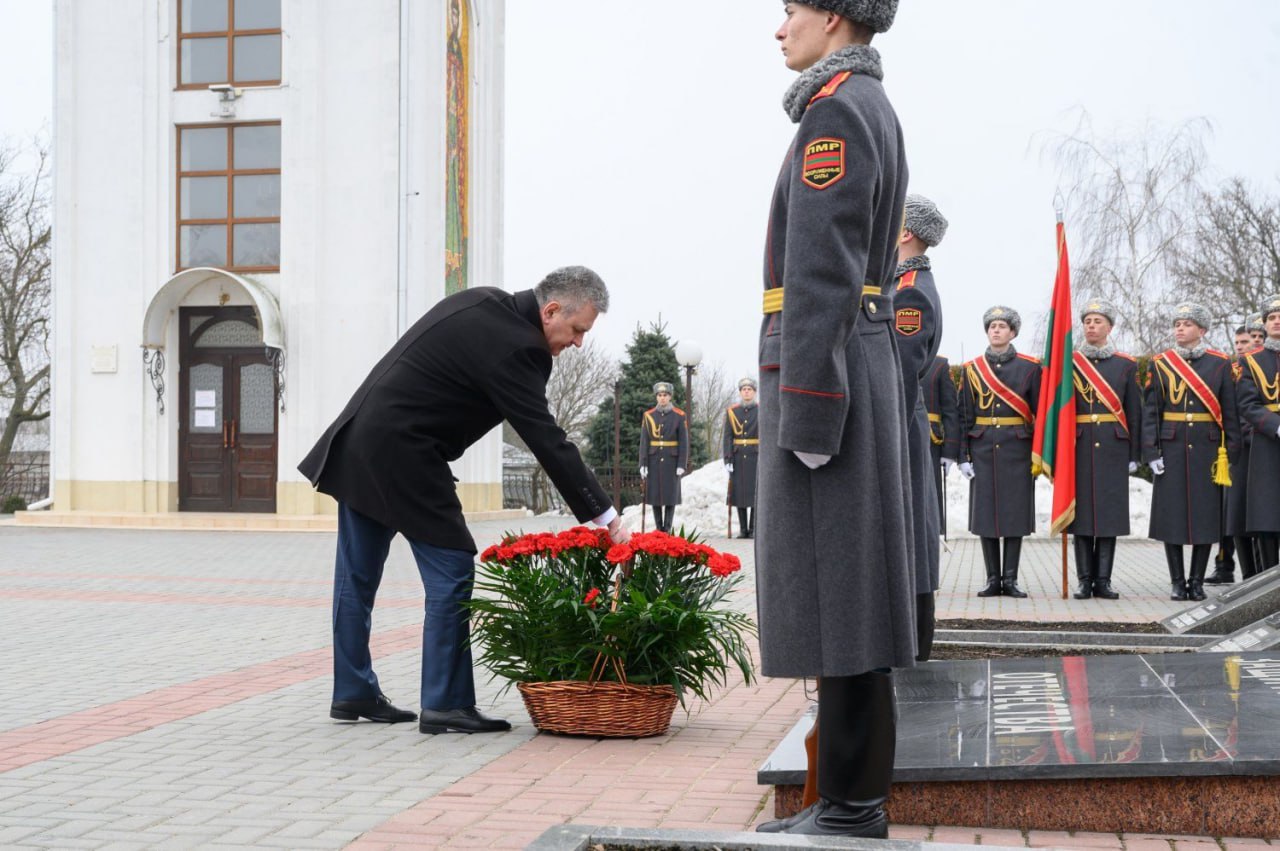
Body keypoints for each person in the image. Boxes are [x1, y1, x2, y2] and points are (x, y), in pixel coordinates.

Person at [298, 266, 628, 734]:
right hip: (406, 453)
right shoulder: (522, 347)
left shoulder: (482, 301)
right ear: (551, 310)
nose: (577, 344)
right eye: (577, 331)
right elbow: (546, 439)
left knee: (357, 575)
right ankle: (446, 703)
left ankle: (353, 690)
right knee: (452, 567)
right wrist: (605, 515)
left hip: (360, 440)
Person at [754, 0, 910, 838]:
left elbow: (822, 273)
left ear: (837, 18)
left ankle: (851, 806)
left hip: (828, 374)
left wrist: (810, 413)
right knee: (848, 598)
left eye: (790, 11)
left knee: (844, 601)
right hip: (854, 362)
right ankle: (841, 796)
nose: (780, 29)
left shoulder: (836, 113)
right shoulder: (862, 104)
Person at [1143, 302, 1240, 602]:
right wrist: (1151, 451)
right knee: (1171, 518)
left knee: (1205, 519)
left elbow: (1230, 411)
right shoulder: (1161, 364)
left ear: (1202, 330)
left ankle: (1196, 581)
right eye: (1177, 324)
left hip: (1208, 451)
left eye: (1186, 324)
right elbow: (1151, 412)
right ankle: (1177, 581)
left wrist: (1232, 452)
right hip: (1171, 447)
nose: (1180, 329)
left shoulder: (1220, 363)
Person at [893, 194, 949, 660]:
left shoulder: (908, 290)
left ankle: (912, 645)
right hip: (897, 418)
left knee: (908, 533)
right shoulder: (901, 282)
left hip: (896, 420)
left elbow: (899, 367)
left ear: (905, 232)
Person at [959, 306, 1042, 598]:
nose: (996, 330)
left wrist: (1039, 454)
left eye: (1002, 326)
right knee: (987, 516)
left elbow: (1040, 415)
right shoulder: (971, 369)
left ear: (1013, 332)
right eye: (992, 326)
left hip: (1018, 449)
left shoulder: (1030, 368)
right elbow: (963, 415)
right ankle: (993, 579)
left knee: (1014, 516)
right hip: (982, 449)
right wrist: (962, 456)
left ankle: (1011, 579)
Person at [1067, 300, 1141, 600]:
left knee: (1109, 516)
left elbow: (1134, 412)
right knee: (1081, 516)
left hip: (1113, 447)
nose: (1091, 326)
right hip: (1079, 445)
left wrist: (1135, 454)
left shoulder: (1125, 365)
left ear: (1109, 327)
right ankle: (1084, 580)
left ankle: (1104, 580)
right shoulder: (1068, 363)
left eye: (1097, 321)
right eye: (1087, 321)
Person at [1211, 323, 1265, 584]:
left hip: (1264, 443)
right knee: (1237, 515)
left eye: (1256, 338)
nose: (1250, 343)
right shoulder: (1234, 370)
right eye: (1245, 340)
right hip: (1242, 448)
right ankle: (1237, 570)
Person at [1236, 294, 1280, 572]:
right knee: (1267, 518)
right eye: (1271, 318)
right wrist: (1275, 425)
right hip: (1267, 444)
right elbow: (1247, 404)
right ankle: (1268, 592)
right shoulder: (1250, 361)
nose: (1277, 322)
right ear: (1264, 325)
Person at [639, 382, 689, 533]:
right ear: (656, 397)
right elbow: (644, 441)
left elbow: (684, 442)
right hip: (653, 460)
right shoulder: (649, 416)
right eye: (660, 395)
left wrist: (681, 463)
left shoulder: (679, 416)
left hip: (671, 461)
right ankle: (658, 527)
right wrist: (643, 463)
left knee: (670, 496)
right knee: (655, 496)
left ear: (670, 396)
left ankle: (667, 528)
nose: (662, 398)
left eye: (665, 395)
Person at [722, 377, 760, 538]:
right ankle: (743, 529)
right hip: (737, 457)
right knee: (739, 494)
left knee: (755, 494)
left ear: (754, 392)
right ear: (740, 392)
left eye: (749, 389)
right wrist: (728, 458)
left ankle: (752, 529)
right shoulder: (732, 412)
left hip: (755, 455)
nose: (746, 392)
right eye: (744, 389)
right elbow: (728, 437)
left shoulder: (761, 410)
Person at [925, 355, 960, 525]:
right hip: (897, 436)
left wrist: (949, 451)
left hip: (929, 441)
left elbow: (950, 411)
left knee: (930, 497)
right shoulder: (892, 357)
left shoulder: (939, 365)